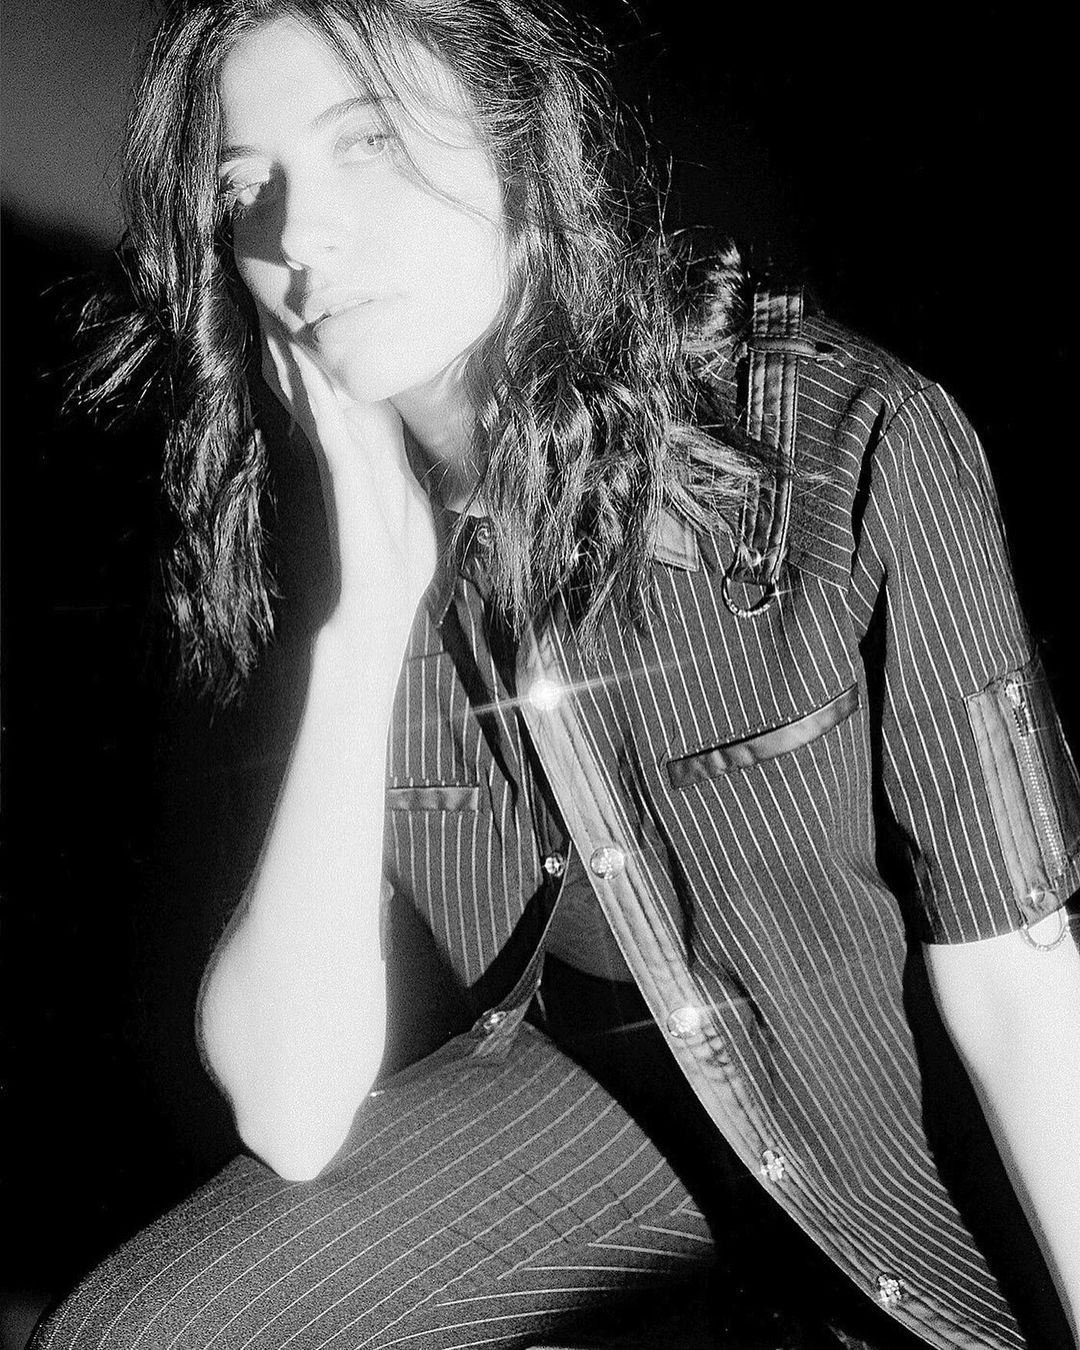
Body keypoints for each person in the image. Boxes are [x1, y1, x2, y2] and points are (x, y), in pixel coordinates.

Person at [29, 1, 1080, 1347]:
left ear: (522, 148)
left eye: (368, 143)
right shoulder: (303, 532)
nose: (300, 236)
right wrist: (366, 621)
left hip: (885, 1116)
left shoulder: (844, 435)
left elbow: (1014, 975)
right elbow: (290, 1106)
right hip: (598, 1104)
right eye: (246, 189)